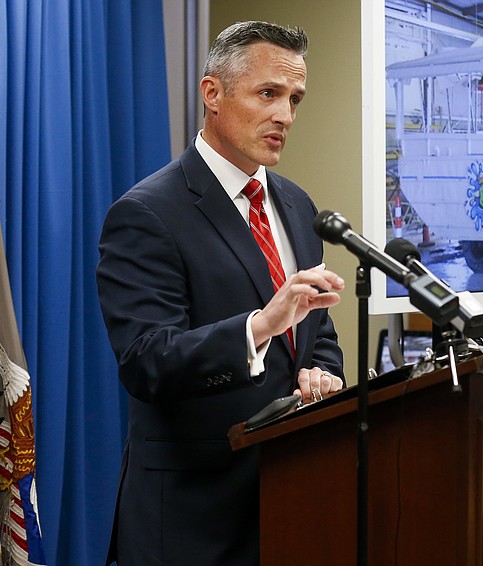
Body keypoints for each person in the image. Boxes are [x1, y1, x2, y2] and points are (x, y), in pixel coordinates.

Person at [96, 21, 345, 566]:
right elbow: (146, 362)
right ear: (212, 93)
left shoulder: (298, 205)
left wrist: (320, 371)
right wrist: (259, 326)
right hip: (192, 522)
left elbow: (316, 333)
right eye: (268, 94)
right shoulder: (146, 213)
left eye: (294, 99)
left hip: (290, 501)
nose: (285, 116)